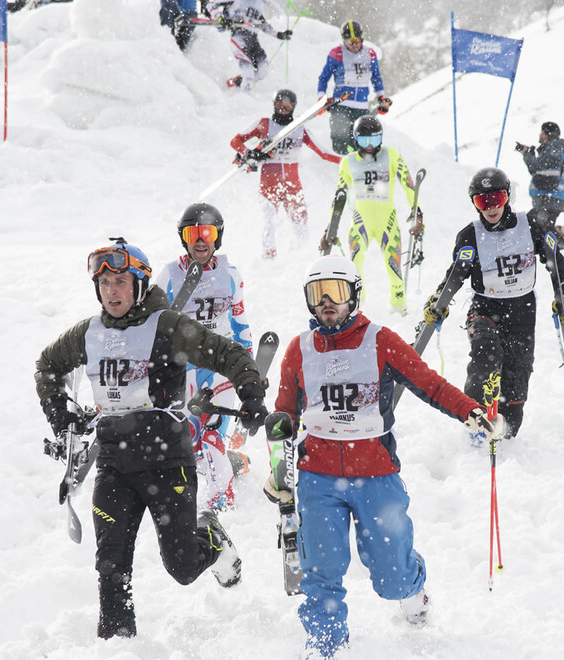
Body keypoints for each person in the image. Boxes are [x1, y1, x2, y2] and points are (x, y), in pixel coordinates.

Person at [269, 254, 502, 659]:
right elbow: (284, 417)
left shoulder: (380, 340)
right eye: (317, 293)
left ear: (354, 295)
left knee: (390, 577)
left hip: (375, 474)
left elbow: (429, 383)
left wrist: (470, 410)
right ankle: (326, 645)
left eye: (337, 291)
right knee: (321, 571)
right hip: (318, 477)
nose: (327, 301)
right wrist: (279, 469)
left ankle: (413, 590)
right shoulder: (299, 349)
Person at [34, 238, 268, 638]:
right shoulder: (88, 333)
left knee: (181, 566)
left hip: (166, 462)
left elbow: (227, 353)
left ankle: (210, 535)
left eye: (121, 282)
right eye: (104, 283)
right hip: (114, 466)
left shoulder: (167, 326)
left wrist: (250, 393)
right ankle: (118, 644)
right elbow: (47, 366)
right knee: (110, 565)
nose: (112, 292)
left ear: (140, 283)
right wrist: (61, 416)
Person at [424, 167, 564, 443]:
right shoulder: (470, 235)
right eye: (482, 201)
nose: (491, 207)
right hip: (485, 309)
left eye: (497, 197)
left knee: (515, 390)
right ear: (474, 203)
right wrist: (440, 299)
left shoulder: (529, 225)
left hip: (521, 312)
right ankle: (474, 419)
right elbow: (457, 273)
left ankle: (505, 431)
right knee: (486, 352)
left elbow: (554, 260)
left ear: (507, 196)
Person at [154, 204, 253, 509]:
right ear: (183, 238)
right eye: (192, 233)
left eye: (206, 233)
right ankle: (225, 461)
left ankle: (220, 502)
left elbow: (240, 324)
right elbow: (153, 325)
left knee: (212, 433)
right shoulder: (170, 275)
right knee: (192, 441)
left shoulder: (230, 275)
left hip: (220, 364)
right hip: (184, 368)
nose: (200, 240)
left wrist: (247, 367)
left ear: (217, 237)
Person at [322, 114, 421, 316]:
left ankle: (399, 305)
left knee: (393, 266)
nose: (369, 146)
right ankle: (357, 305)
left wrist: (416, 211)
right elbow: (339, 195)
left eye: (374, 140)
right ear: (355, 139)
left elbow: (409, 185)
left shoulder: (391, 155)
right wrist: (329, 228)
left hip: (387, 221)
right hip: (361, 221)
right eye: (364, 140)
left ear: (381, 138)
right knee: (355, 264)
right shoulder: (348, 162)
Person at [231, 89, 342, 259]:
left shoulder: (299, 128)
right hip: (269, 185)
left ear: (293, 107)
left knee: (301, 226)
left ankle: (298, 257)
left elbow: (323, 152)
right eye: (279, 105)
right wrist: (248, 153)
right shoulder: (264, 124)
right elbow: (236, 141)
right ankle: (268, 258)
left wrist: (348, 160)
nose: (283, 109)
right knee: (269, 221)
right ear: (274, 105)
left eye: (287, 106)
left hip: (292, 186)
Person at [316, 20, 390, 155]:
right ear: (344, 40)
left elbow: (376, 77)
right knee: (340, 141)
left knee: (362, 142)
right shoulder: (336, 54)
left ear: (362, 38)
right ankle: (340, 168)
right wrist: (321, 97)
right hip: (341, 105)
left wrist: (381, 96)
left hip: (362, 107)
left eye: (356, 40)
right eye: (350, 42)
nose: (354, 45)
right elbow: (323, 78)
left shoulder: (370, 54)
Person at [207, 0, 292, 90]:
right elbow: (210, 5)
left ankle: (239, 81)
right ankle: (244, 98)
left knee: (263, 71)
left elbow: (263, 25)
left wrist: (279, 34)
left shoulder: (258, 4)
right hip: (239, 38)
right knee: (248, 72)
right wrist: (221, 19)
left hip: (253, 41)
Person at [514, 121, 564, 231]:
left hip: (549, 199)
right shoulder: (554, 149)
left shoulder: (552, 149)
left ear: (546, 135)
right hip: (551, 199)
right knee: (539, 228)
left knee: (534, 228)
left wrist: (526, 154)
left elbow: (536, 168)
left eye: (541, 132)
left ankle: (550, 247)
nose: (540, 135)